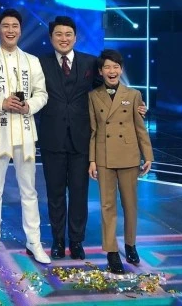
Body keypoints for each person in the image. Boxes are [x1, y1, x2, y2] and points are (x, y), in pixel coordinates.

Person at [39, 16, 146, 260]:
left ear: (75, 37)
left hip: (82, 139)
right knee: (55, 193)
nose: (64, 38)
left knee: (79, 193)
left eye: (68, 34)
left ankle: (76, 241)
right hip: (52, 138)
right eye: (58, 34)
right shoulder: (39, 63)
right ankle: (58, 240)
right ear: (51, 38)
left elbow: (111, 90)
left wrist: (137, 105)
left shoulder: (89, 62)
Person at [0, 9, 50, 266]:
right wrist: (1, 103)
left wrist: (29, 105)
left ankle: (34, 242)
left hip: (25, 131)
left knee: (29, 190)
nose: (10, 30)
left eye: (15, 26)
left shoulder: (32, 61)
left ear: (20, 30)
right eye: (6, 26)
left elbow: (42, 94)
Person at [88, 49, 153, 274]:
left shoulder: (134, 95)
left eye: (115, 67)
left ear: (121, 69)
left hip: (129, 155)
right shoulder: (93, 96)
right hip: (104, 157)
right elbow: (94, 131)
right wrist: (92, 160)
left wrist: (148, 155)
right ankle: (112, 251)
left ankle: (131, 244)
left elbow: (140, 128)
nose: (112, 71)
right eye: (107, 67)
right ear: (100, 71)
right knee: (107, 206)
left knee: (130, 204)